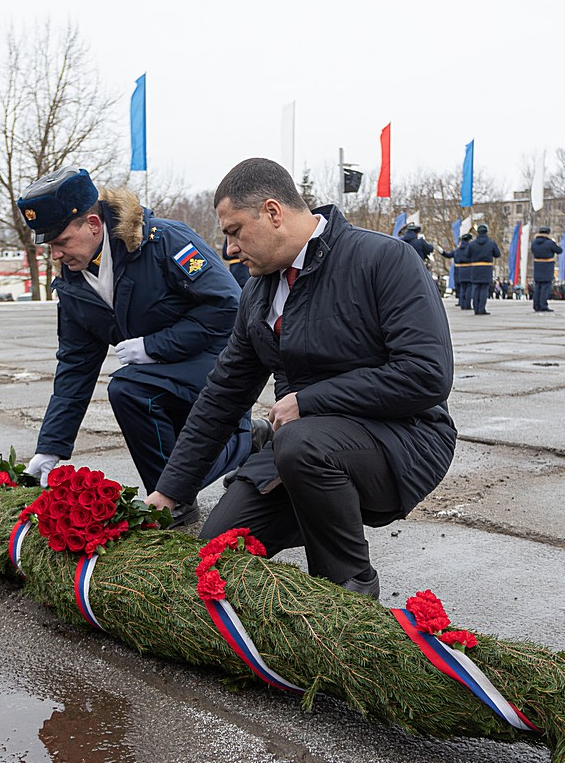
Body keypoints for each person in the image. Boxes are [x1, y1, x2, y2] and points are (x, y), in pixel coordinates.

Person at [144, 158, 456, 599]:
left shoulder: (384, 259)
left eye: (234, 231)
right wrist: (169, 492)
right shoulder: (257, 292)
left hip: (404, 438)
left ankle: (347, 584)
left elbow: (426, 376)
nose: (229, 249)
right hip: (304, 445)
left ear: (273, 213)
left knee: (299, 443)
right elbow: (222, 396)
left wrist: (309, 400)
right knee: (217, 553)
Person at [18, 166, 260, 526]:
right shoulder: (72, 284)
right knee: (134, 393)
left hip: (217, 360)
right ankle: (173, 499)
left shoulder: (163, 241)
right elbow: (75, 365)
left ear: (93, 225)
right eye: (49, 245)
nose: (55, 254)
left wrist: (153, 346)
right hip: (160, 373)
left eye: (61, 242)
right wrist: (50, 447)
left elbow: (227, 306)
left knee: (129, 387)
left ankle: (247, 441)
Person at [464, 223, 501, 315]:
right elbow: (497, 254)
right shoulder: (491, 243)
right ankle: (481, 309)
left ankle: (476, 309)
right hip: (486, 267)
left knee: (476, 288)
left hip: (475, 267)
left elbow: (467, 255)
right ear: (486, 232)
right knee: (484, 289)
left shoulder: (472, 244)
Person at [530, 226, 562, 312]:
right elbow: (559, 250)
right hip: (547, 266)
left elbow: (532, 251)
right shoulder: (550, 243)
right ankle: (543, 305)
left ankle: (536, 305)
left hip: (537, 265)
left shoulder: (534, 243)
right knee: (545, 286)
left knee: (537, 287)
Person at [440, 232, 472, 310]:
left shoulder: (457, 250)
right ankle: (467, 305)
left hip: (459, 270)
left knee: (462, 288)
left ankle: (461, 303)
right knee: (469, 288)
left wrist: (442, 252)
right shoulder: (470, 248)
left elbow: (448, 255)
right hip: (469, 269)